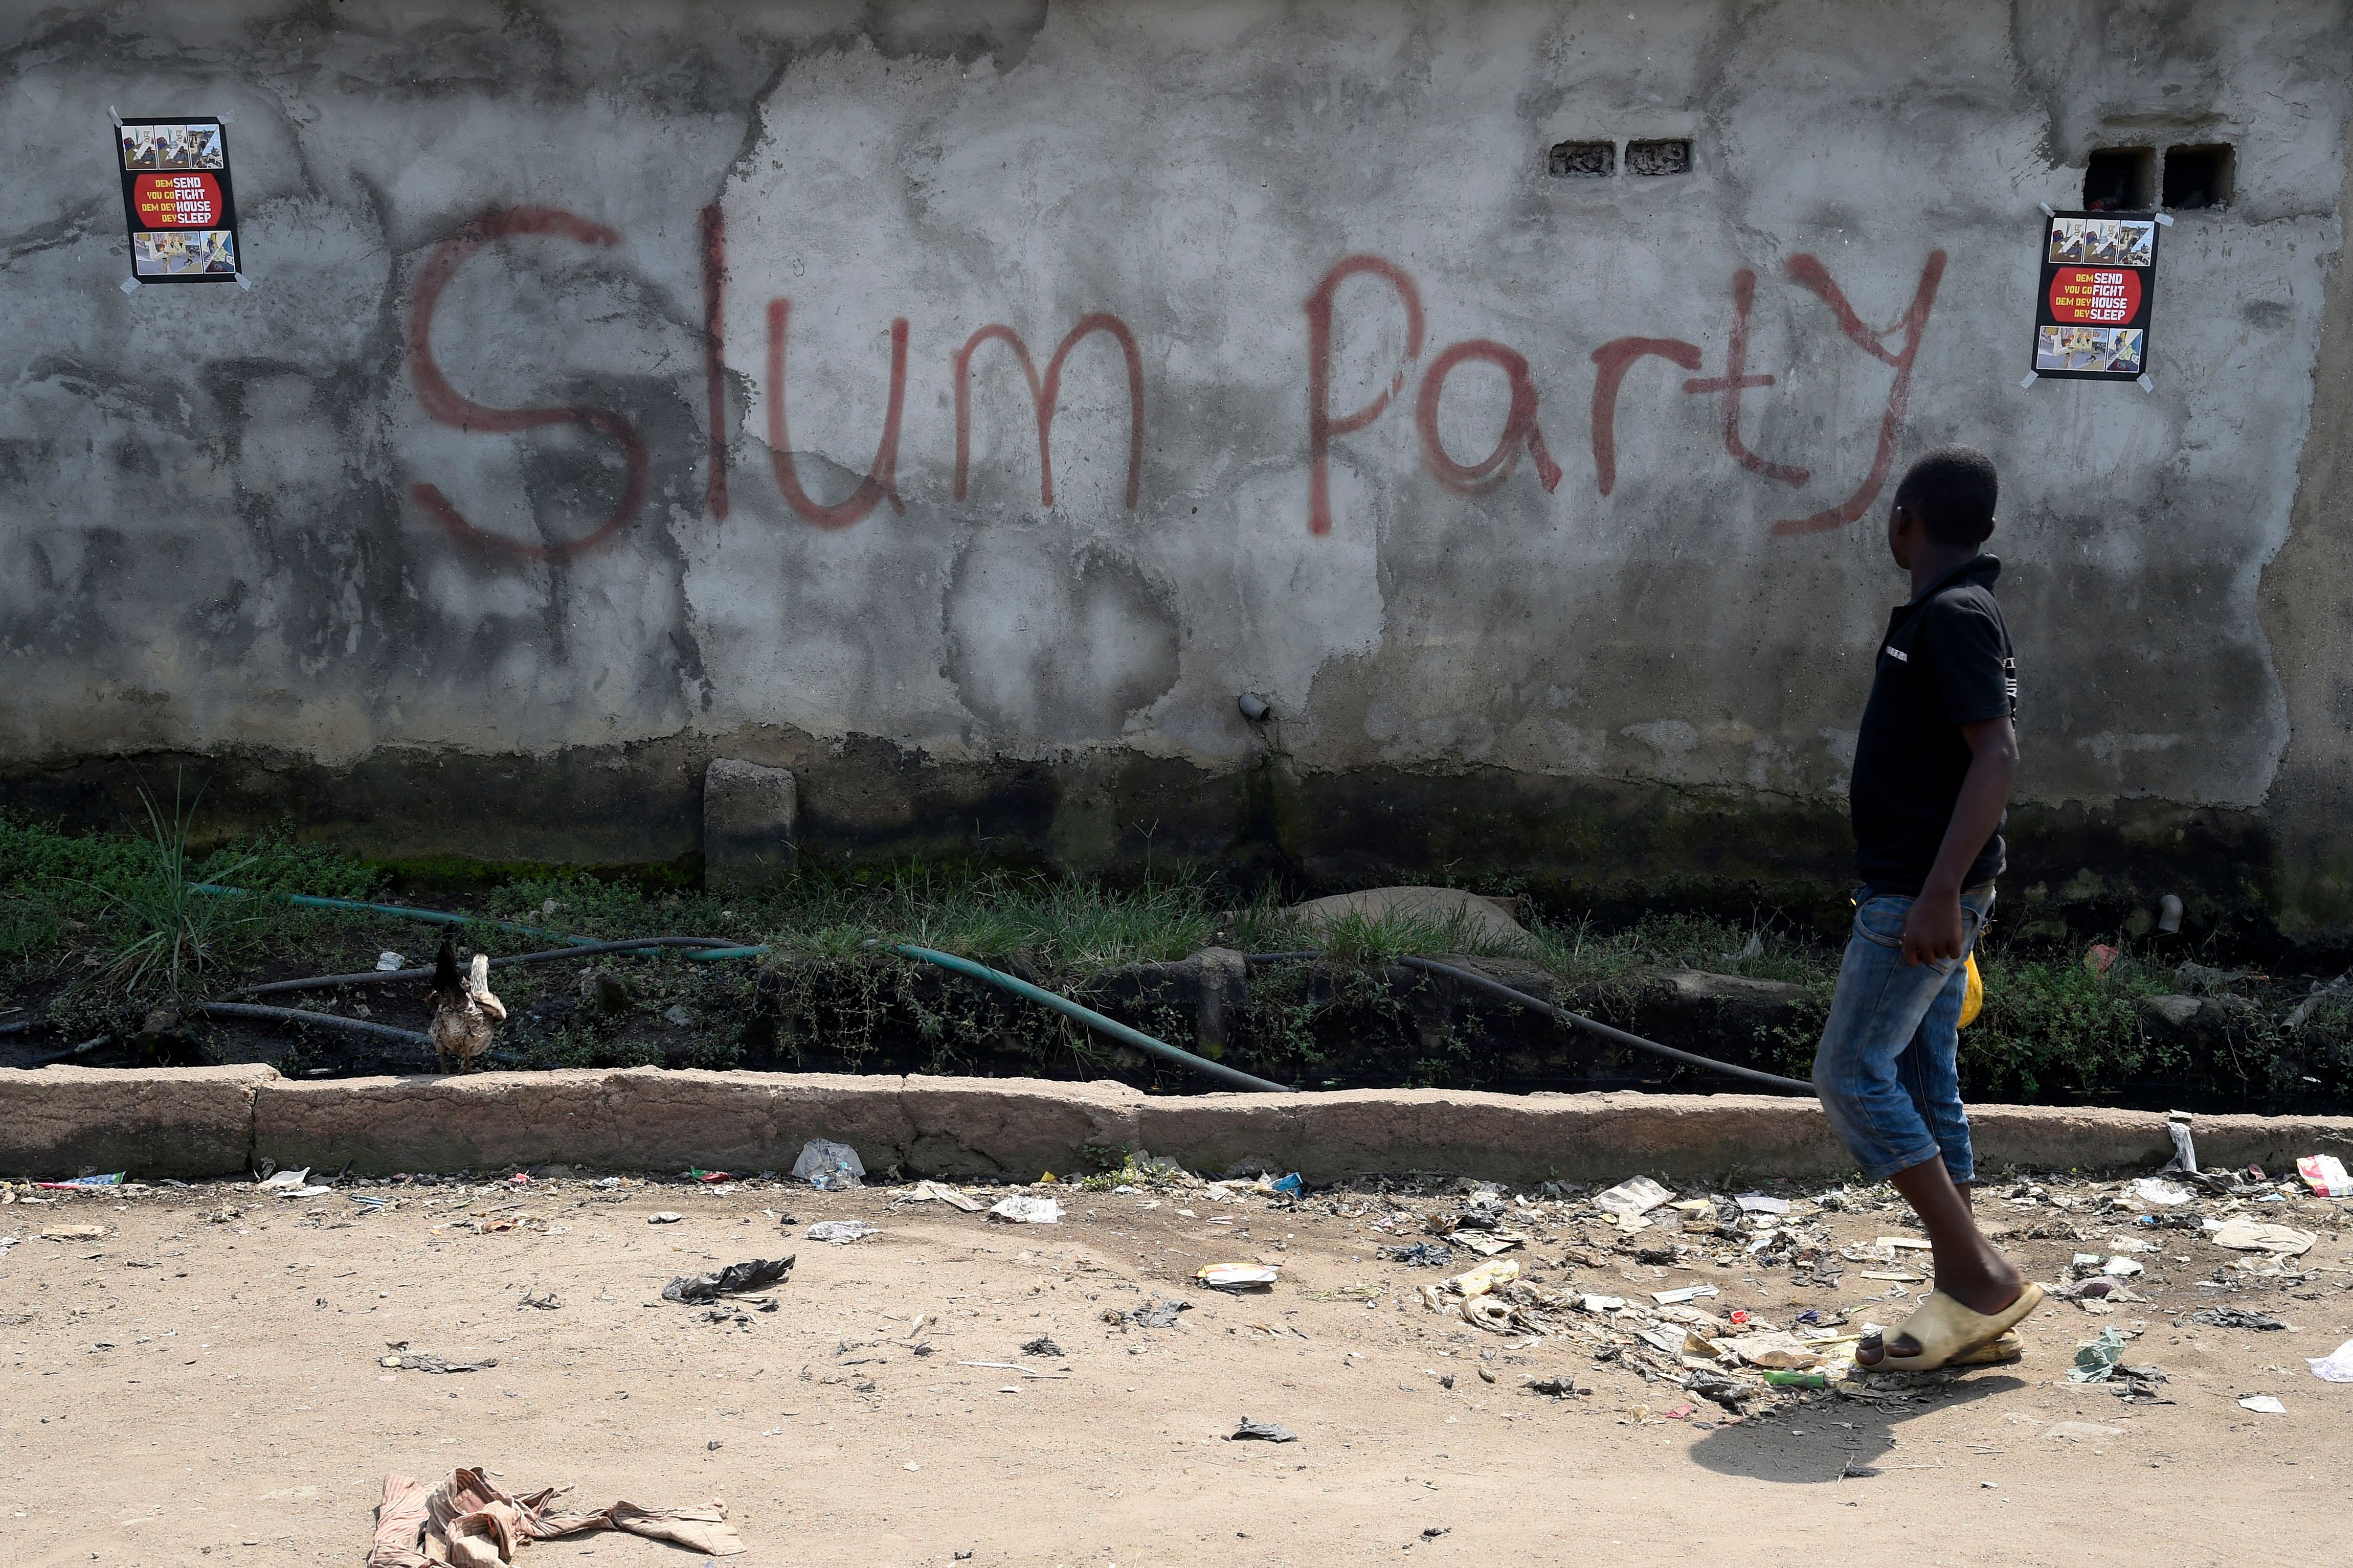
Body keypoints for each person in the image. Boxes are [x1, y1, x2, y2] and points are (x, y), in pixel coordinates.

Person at [1813, 444, 2042, 1371]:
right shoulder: (1950, 612)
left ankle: (1975, 1276)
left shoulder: (1951, 615)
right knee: (1921, 1076)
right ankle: (1968, 1303)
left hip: (1918, 893)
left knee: (1851, 1073)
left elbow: (1996, 756)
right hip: (1923, 886)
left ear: (1903, 518)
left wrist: (1941, 892)